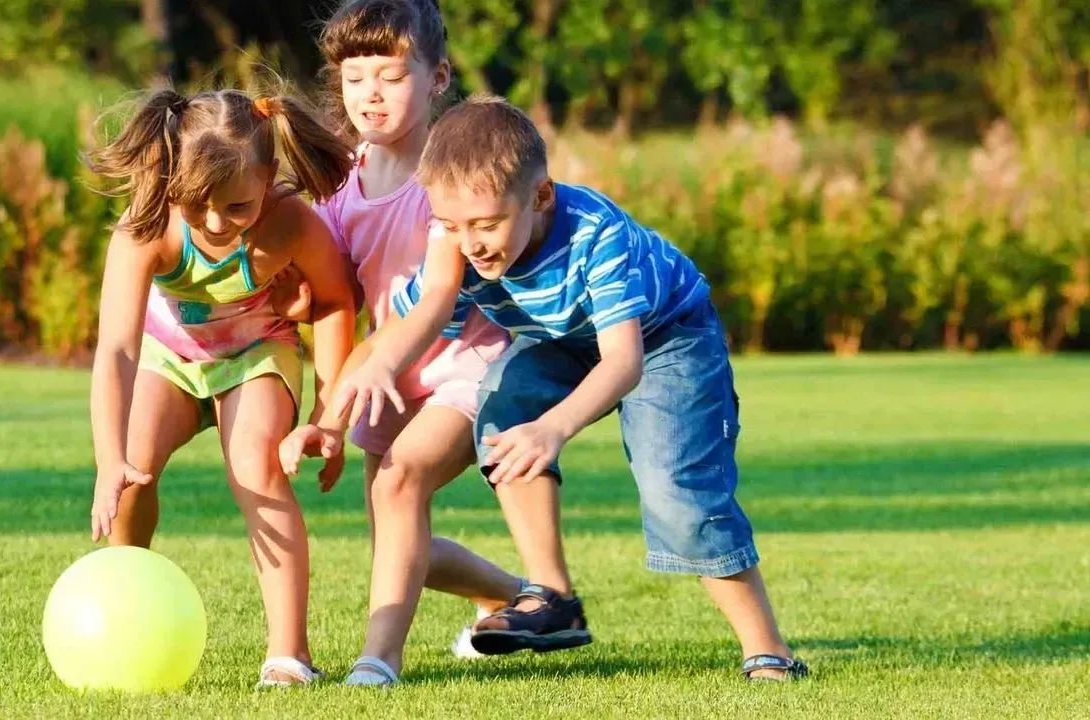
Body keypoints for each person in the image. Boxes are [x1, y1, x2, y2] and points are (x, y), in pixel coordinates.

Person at [334, 95, 809, 682]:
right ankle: (552, 597)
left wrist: (554, 427)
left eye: (487, 225)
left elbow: (623, 362)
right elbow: (413, 319)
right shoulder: (457, 246)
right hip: (562, 339)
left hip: (666, 336)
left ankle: (768, 650)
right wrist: (350, 393)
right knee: (502, 409)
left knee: (676, 493)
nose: (470, 243)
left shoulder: (594, 233)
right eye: (451, 226)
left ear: (540, 196)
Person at [277, 0, 526, 687]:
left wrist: (365, 376)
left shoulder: (451, 174)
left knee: (399, 484)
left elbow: (439, 295)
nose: (371, 94)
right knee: (395, 535)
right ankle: (520, 599)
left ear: (437, 77)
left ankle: (378, 662)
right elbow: (334, 298)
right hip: (389, 375)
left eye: (390, 76)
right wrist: (326, 414)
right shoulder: (341, 185)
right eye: (355, 78)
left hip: (470, 366)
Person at [84, 87, 357, 687]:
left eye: (237, 207)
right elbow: (118, 349)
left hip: (257, 354)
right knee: (133, 472)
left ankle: (289, 656)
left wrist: (328, 416)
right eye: (195, 204)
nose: (214, 222)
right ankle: (127, 613)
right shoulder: (147, 224)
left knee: (255, 467)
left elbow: (336, 302)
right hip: (170, 355)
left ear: (269, 174)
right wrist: (109, 460)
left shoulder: (290, 223)